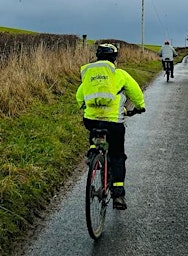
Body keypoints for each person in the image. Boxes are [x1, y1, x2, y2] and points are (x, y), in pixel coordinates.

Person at [76, 43, 146, 210]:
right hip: (114, 122)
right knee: (117, 155)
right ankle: (118, 195)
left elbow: (80, 96)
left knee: (94, 130)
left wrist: (85, 107)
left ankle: (94, 150)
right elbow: (135, 93)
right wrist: (139, 106)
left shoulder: (90, 73)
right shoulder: (119, 74)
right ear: (115, 59)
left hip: (91, 120)